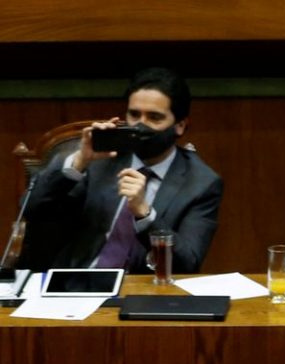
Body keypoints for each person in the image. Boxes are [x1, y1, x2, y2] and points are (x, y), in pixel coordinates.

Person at [23, 67, 223, 274]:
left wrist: (145, 214)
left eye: (154, 117)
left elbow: (187, 263)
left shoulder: (200, 183)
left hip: (142, 292)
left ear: (180, 126)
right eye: (134, 115)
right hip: (77, 284)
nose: (140, 126)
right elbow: (32, 208)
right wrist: (79, 162)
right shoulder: (99, 159)